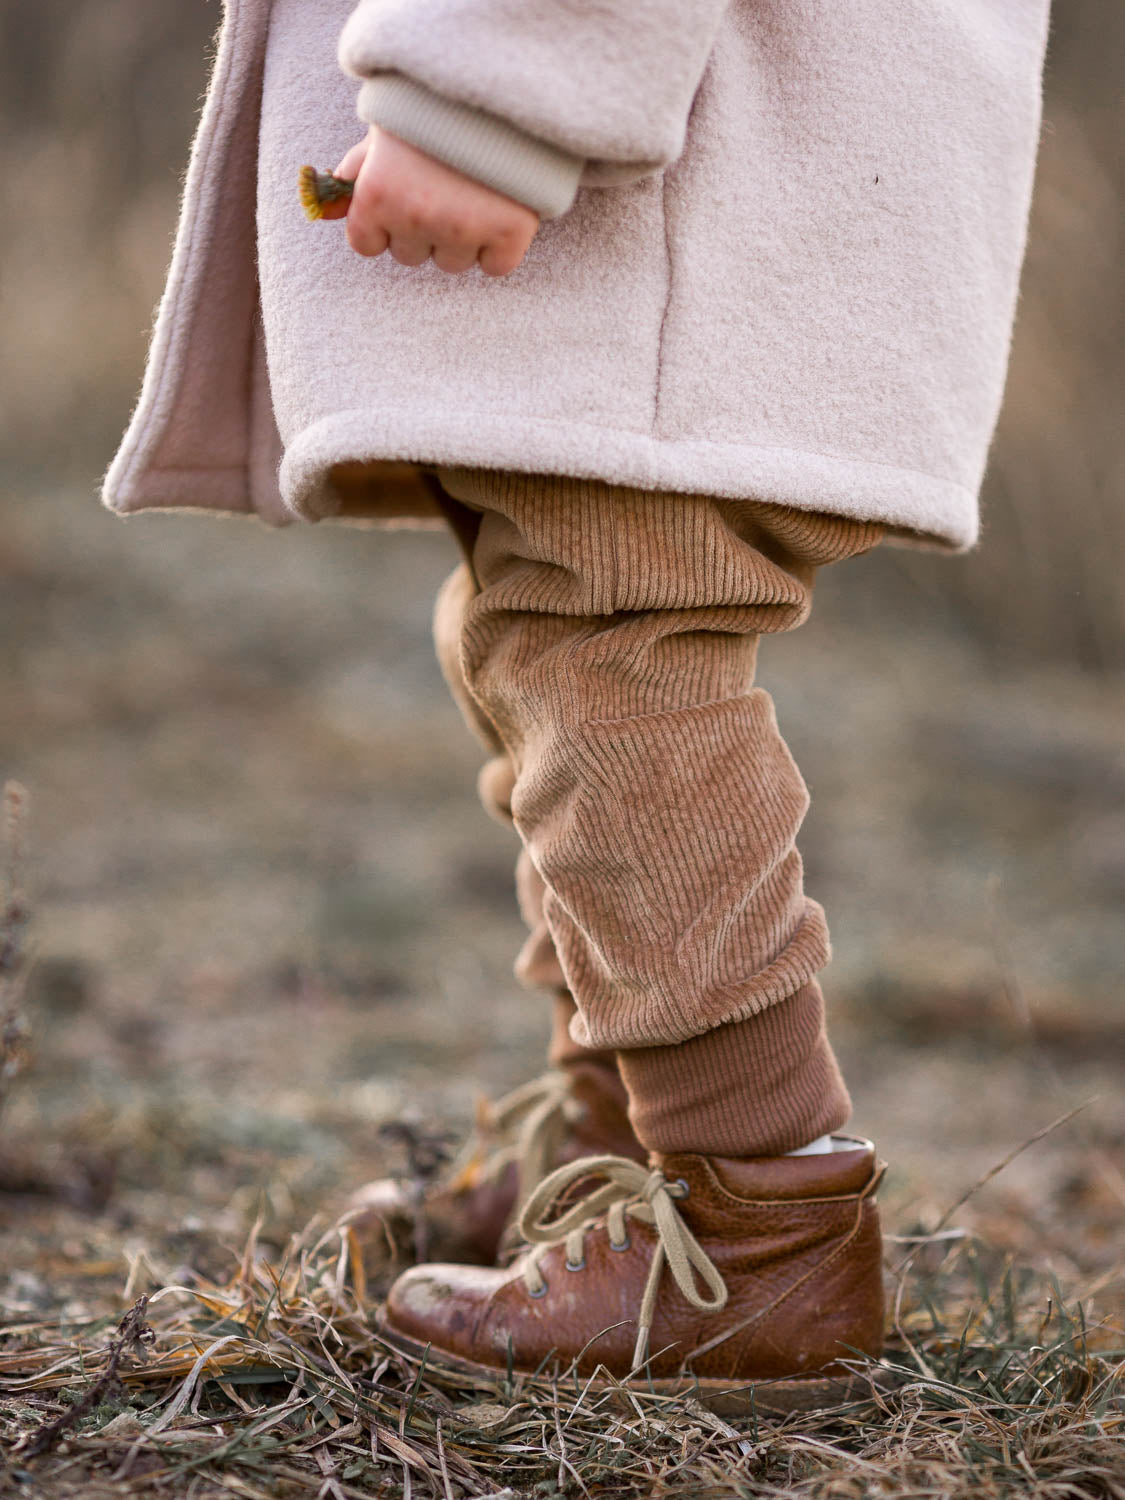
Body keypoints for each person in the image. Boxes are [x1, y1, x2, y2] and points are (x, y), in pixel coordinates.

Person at [104, 0, 1050, 1411]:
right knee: (540, 626)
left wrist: (493, 89)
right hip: (674, 168)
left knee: (614, 652)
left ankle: (756, 1222)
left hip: (651, 167)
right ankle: (620, 1142)